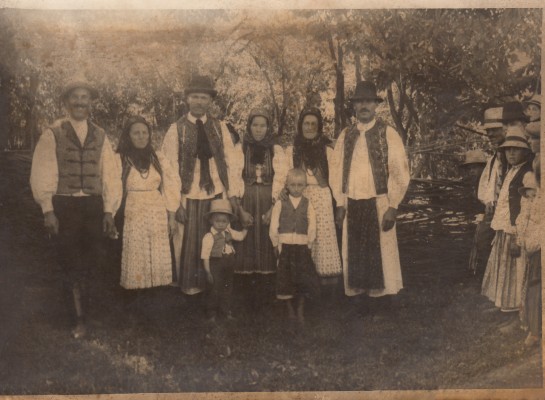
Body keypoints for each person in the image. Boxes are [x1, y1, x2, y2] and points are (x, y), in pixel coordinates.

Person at [30, 78, 121, 338]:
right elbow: (42, 172)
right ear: (66, 102)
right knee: (69, 260)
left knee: (94, 260)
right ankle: (77, 319)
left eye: (85, 98)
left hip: (93, 206)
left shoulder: (101, 135)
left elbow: (110, 175)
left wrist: (109, 211)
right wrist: (48, 209)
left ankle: (91, 315)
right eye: (75, 97)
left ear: (91, 103)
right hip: (65, 204)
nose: (80, 102)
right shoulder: (53, 133)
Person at [161, 75, 245, 295]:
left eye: (204, 98)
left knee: (217, 239)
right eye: (195, 97)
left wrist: (232, 195)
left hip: (216, 193)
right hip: (189, 194)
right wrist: (175, 205)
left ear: (210, 101)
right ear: (187, 99)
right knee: (190, 241)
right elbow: (170, 169)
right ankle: (191, 289)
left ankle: (214, 288)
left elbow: (231, 162)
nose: (199, 102)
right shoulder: (176, 129)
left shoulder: (219, 127)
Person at [330, 81, 410, 308]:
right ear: (354, 106)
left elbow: (399, 171)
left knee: (381, 252)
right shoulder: (346, 135)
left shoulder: (388, 133)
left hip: (380, 201)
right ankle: (359, 301)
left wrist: (393, 206)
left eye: (368, 101)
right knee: (355, 251)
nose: (364, 106)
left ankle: (381, 302)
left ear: (376, 105)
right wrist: (340, 202)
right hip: (352, 202)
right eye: (359, 102)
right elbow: (336, 170)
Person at [274, 108, 342, 287]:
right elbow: (283, 176)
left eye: (313, 124)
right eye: (306, 123)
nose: (309, 127)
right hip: (300, 196)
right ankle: (303, 286)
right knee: (302, 237)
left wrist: (340, 204)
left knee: (323, 239)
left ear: (319, 127)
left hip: (322, 197)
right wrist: (281, 191)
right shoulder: (292, 151)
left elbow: (336, 179)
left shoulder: (327, 150)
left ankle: (325, 286)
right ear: (300, 126)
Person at [116, 116, 180, 292]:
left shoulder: (157, 157)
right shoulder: (120, 158)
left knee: (157, 252)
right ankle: (136, 294)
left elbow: (170, 186)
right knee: (137, 252)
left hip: (156, 209)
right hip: (132, 210)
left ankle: (156, 293)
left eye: (145, 133)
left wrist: (171, 216)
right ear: (128, 135)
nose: (141, 136)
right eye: (136, 133)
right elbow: (113, 188)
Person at [481, 126, 536, 324]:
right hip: (504, 228)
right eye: (508, 149)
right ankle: (502, 303)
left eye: (516, 149)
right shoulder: (510, 172)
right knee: (503, 266)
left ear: (526, 152)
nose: (511, 153)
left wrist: (515, 234)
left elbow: (523, 207)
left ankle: (515, 310)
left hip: (515, 230)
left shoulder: (527, 174)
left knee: (516, 269)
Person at [269, 168, 320, 325]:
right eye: (293, 185)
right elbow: (273, 225)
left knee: (302, 277)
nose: (296, 189)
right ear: (287, 185)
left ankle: (300, 310)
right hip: (285, 245)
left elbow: (312, 225)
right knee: (286, 278)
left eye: (300, 185)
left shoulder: (308, 203)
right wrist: (275, 243)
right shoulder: (280, 203)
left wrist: (309, 243)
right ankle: (290, 309)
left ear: (305, 186)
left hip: (302, 245)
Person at [236, 108, 281, 275]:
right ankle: (246, 279)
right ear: (249, 126)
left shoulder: (275, 149)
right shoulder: (240, 149)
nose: (259, 129)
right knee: (246, 236)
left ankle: (267, 279)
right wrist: (239, 209)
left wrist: (273, 208)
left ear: (268, 128)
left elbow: (281, 179)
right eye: (255, 125)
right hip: (246, 199)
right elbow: (234, 178)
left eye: (263, 126)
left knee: (267, 235)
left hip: (268, 200)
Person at [201, 199, 247, 322]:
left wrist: (246, 228)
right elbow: (205, 255)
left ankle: (225, 311)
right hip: (215, 265)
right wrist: (208, 272)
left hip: (229, 265)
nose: (221, 224)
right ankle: (211, 313)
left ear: (228, 222)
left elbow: (240, 236)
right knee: (214, 289)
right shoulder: (209, 237)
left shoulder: (229, 232)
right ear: (211, 220)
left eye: (224, 221)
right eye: (218, 221)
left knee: (227, 288)